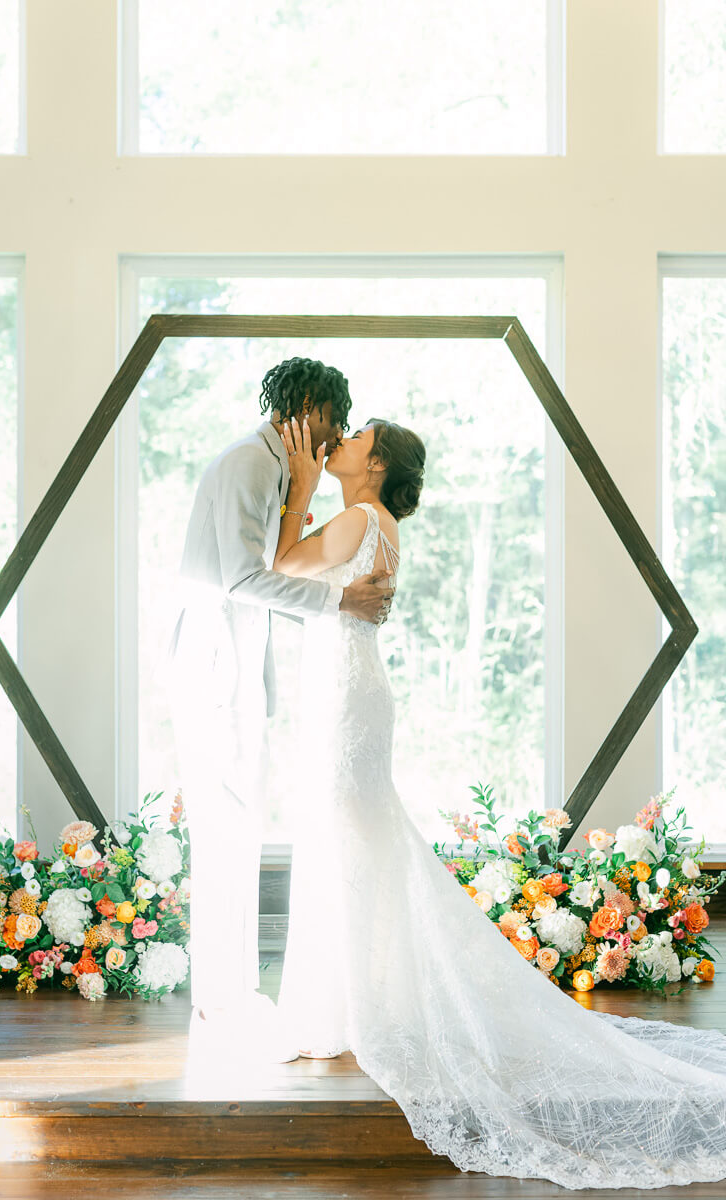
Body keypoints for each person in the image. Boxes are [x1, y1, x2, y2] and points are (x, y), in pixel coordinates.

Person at [269, 414, 726, 1191]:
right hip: (346, 694)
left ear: (374, 464)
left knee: (349, 842)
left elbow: (280, 563)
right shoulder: (365, 519)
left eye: (355, 437)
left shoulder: (357, 515)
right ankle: (345, 1002)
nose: (338, 441)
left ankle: (350, 1009)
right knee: (352, 843)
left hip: (347, 702)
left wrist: (301, 483)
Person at [165, 357, 393, 1060]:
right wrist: (338, 602)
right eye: (335, 420)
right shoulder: (248, 464)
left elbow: (277, 572)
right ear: (306, 407)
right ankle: (218, 1004)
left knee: (241, 830)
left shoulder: (278, 471)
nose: (336, 437)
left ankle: (231, 996)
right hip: (213, 671)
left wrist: (336, 605)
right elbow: (241, 579)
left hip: (240, 669)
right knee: (224, 832)